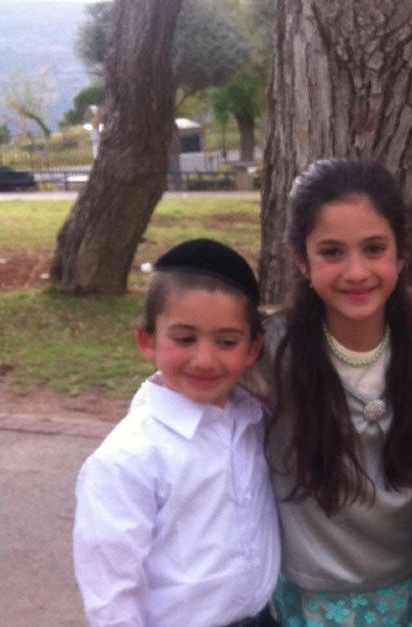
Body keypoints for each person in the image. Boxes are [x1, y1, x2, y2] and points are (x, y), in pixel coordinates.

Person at [260, 158, 412, 627]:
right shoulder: (267, 356)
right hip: (316, 602)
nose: (356, 272)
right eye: (332, 252)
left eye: (374, 249)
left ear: (401, 256)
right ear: (301, 260)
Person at [73, 238, 279, 627]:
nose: (205, 359)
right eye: (184, 339)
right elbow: (112, 597)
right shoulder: (127, 459)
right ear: (146, 340)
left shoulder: (254, 420)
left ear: (252, 350)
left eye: (227, 342)